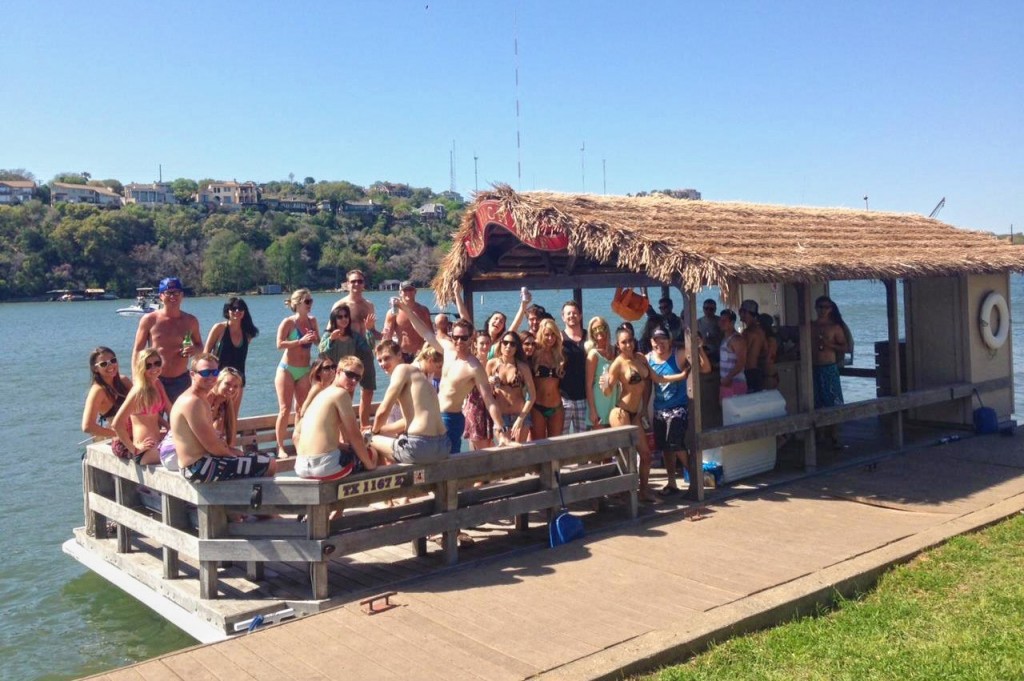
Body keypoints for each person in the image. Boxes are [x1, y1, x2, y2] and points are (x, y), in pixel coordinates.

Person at [400, 299, 510, 452]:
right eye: (456, 337)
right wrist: (406, 310)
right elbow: (425, 332)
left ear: (471, 338)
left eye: (464, 338)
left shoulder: (474, 367)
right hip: (433, 413)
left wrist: (501, 429)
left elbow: (489, 400)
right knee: (432, 460)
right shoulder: (448, 350)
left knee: (449, 461)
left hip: (451, 418)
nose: (459, 341)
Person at [602, 326, 686, 503]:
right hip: (621, 412)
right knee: (627, 455)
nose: (628, 345)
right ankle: (623, 492)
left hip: (635, 414)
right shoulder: (618, 363)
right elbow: (608, 392)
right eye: (623, 342)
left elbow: (657, 378)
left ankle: (644, 491)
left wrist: (681, 376)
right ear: (618, 344)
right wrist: (606, 385)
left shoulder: (641, 358)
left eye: (630, 340)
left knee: (646, 455)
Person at [173, 353, 277, 482]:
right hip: (198, 468)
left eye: (215, 372)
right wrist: (233, 455)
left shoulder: (200, 398)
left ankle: (243, 500)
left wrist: (234, 453)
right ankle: (248, 501)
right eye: (205, 373)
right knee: (269, 463)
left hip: (202, 464)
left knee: (259, 459)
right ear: (192, 374)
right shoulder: (193, 402)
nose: (211, 377)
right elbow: (212, 446)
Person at [647, 327, 710, 496]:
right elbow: (646, 386)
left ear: (670, 341)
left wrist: (699, 348)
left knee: (676, 443)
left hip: (678, 409)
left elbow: (705, 368)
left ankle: (697, 477)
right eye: (656, 340)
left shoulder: (679, 354)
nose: (660, 343)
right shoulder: (648, 359)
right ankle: (671, 482)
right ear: (651, 342)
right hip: (659, 410)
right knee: (665, 448)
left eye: (663, 340)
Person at [295, 356, 380, 480]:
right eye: (350, 375)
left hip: (301, 467)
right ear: (338, 372)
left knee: (351, 452)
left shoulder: (320, 396)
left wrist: (340, 446)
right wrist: (370, 466)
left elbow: (296, 436)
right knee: (371, 454)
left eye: (358, 378)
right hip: (326, 467)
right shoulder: (341, 394)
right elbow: (354, 436)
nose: (354, 381)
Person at [367, 343, 450, 463]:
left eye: (387, 358)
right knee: (388, 439)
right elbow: (409, 420)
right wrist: (382, 430)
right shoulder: (420, 376)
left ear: (399, 354)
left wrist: (372, 433)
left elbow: (383, 411)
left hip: (420, 447)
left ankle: (386, 479)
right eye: (379, 360)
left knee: (371, 441)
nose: (383, 364)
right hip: (443, 445)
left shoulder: (402, 369)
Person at [132, 276, 201, 405]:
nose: (173, 296)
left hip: (181, 380)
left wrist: (194, 350)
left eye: (176, 293)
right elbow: (138, 350)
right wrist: (136, 379)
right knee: (152, 421)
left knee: (181, 420)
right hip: (154, 378)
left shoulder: (191, 321)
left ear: (182, 295)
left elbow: (200, 346)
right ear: (161, 296)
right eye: (169, 293)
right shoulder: (149, 320)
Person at [274, 288, 320, 457]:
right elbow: (279, 344)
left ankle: (299, 440)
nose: (310, 305)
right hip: (286, 369)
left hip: (304, 370)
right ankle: (280, 447)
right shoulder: (288, 322)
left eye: (311, 301)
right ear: (298, 303)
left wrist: (316, 340)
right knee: (285, 409)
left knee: (302, 408)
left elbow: (319, 343)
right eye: (307, 302)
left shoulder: (312, 321)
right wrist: (299, 341)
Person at [332, 270, 378, 426]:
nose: (356, 284)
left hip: (365, 350)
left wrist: (379, 332)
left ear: (364, 283)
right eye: (353, 281)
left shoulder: (369, 305)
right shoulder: (340, 305)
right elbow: (329, 330)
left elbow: (372, 331)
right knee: (347, 391)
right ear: (347, 284)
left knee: (368, 389)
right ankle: (344, 431)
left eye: (359, 281)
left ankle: (364, 427)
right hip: (347, 351)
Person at [110, 348, 171, 465]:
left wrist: (169, 427)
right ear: (141, 368)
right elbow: (117, 424)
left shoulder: (157, 383)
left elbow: (170, 409)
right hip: (144, 451)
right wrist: (134, 449)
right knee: (181, 455)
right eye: (148, 366)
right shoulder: (138, 391)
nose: (154, 368)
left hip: (158, 443)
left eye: (157, 363)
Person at [204, 296, 258, 407]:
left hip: (238, 381)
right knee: (213, 415)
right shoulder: (219, 328)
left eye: (241, 308)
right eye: (233, 308)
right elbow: (206, 355)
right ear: (227, 311)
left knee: (232, 417)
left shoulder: (247, 334)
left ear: (244, 312)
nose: (237, 311)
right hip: (217, 380)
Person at [486, 331, 536, 443]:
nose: (508, 346)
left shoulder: (522, 367)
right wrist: (490, 381)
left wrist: (521, 418)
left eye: (512, 344)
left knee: (520, 453)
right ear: (501, 344)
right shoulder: (492, 364)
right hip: (500, 417)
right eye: (505, 343)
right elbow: (486, 393)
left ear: (517, 347)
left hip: (520, 414)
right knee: (504, 454)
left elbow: (532, 395)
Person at [813, 296, 849, 449]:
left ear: (831, 309)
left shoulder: (835, 327)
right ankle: (820, 435)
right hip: (814, 368)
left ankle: (834, 435)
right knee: (816, 402)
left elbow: (846, 347)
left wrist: (829, 344)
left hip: (829, 368)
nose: (823, 310)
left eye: (826, 307)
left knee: (833, 402)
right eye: (820, 307)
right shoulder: (811, 326)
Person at [81, 346, 131, 440]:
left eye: (113, 360)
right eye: (104, 364)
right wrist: (117, 434)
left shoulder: (124, 381)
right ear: (95, 369)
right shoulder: (98, 391)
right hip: (117, 438)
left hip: (135, 432)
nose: (110, 366)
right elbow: (87, 426)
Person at [531, 318, 566, 439]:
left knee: (555, 447)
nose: (550, 338)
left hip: (556, 407)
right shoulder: (534, 354)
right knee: (538, 446)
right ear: (541, 334)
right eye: (547, 335)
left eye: (553, 335)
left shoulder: (560, 355)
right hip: (537, 407)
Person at [381, 280, 433, 362]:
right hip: (403, 355)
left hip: (421, 354)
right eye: (405, 290)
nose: (408, 292)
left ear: (415, 291)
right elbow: (387, 337)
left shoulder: (423, 310)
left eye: (410, 290)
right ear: (400, 293)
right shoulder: (393, 313)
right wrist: (385, 356)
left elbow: (431, 334)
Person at [560, 300, 589, 432]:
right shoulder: (559, 338)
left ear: (581, 315)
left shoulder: (589, 336)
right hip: (563, 398)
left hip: (584, 397)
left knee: (584, 441)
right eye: (568, 313)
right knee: (559, 438)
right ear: (563, 317)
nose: (572, 316)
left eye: (575, 313)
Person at [463, 331, 495, 449]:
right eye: (482, 343)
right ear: (475, 344)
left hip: (490, 407)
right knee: (479, 446)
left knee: (489, 444)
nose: (485, 346)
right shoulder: (471, 362)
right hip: (475, 407)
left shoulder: (493, 362)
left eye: (487, 343)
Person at [585, 316, 618, 429]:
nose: (598, 331)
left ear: (606, 329)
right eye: (595, 329)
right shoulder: (593, 354)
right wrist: (593, 411)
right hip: (598, 403)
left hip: (613, 400)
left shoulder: (615, 350)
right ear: (591, 333)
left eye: (601, 327)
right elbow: (589, 385)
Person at [718, 309, 748, 400]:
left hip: (735, 382)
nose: (721, 323)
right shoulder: (725, 338)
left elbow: (741, 362)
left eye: (725, 321)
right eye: (721, 320)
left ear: (732, 322)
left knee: (735, 411)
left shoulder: (737, 340)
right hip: (727, 382)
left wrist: (728, 377)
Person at [739, 300, 767, 393]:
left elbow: (740, 353)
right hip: (758, 372)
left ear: (747, 313)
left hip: (748, 372)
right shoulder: (760, 331)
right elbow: (765, 351)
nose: (740, 314)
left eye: (741, 311)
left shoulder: (747, 333)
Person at [698, 298, 722, 369]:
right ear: (703, 309)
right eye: (706, 308)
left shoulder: (720, 321)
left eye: (711, 309)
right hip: (703, 353)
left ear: (715, 309)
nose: (708, 311)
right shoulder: (698, 322)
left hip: (717, 353)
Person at [759, 313, 780, 390]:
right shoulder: (765, 338)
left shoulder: (771, 339)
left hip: (769, 374)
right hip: (767, 373)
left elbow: (769, 357)